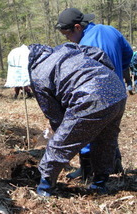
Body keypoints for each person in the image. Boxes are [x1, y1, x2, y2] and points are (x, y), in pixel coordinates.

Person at [26, 43, 127, 196]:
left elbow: (53, 113)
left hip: (89, 97)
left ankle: (44, 187)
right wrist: (105, 75)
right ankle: (100, 183)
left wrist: (63, 131)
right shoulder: (64, 48)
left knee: (59, 143)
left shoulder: (38, 75)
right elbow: (98, 54)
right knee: (106, 139)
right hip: (116, 90)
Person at [55, 8, 132, 179]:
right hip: (118, 93)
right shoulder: (111, 30)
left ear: (77, 27)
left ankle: (88, 171)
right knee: (110, 130)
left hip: (96, 96)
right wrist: (118, 70)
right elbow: (128, 55)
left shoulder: (83, 47)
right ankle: (114, 164)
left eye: (66, 33)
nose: (66, 38)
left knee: (87, 131)